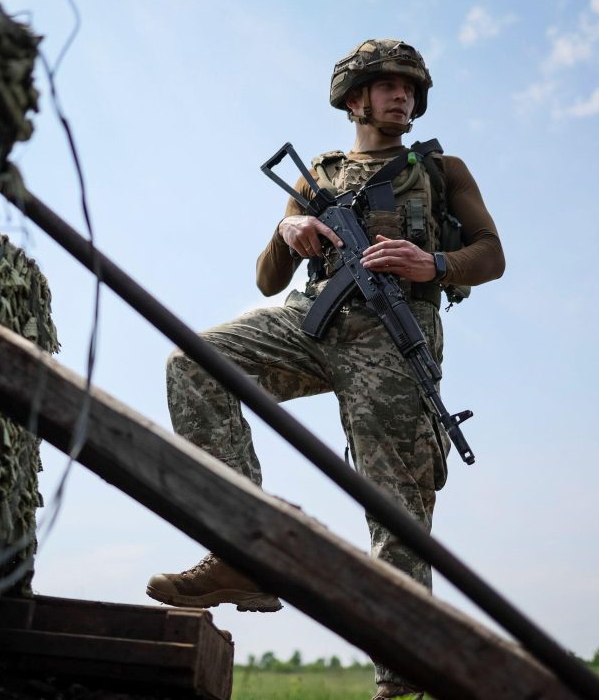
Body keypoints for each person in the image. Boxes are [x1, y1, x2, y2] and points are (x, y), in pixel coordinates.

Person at [145, 39, 505, 699]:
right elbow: (265, 279)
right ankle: (242, 548)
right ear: (353, 97)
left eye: (410, 86)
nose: (402, 95)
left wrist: (435, 265)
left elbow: (493, 253)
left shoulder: (441, 168)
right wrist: (287, 233)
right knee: (194, 362)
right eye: (387, 84)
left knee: (394, 508)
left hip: (394, 341)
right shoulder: (319, 174)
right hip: (310, 323)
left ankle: (402, 681)